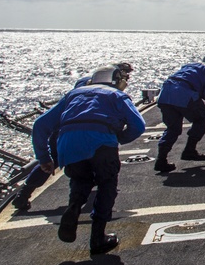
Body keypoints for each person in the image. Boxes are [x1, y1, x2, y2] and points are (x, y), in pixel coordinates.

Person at [30, 64, 146, 254]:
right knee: (107, 184)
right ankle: (98, 238)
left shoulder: (74, 94)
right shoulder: (117, 95)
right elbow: (138, 125)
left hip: (68, 143)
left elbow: (40, 125)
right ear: (115, 80)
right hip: (100, 142)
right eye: (123, 79)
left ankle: (74, 207)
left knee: (80, 180)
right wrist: (119, 138)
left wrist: (44, 157)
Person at [13, 63, 134, 211]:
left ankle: (23, 194)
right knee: (88, 162)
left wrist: (43, 157)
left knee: (54, 160)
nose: (127, 79)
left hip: (65, 131)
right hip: (78, 131)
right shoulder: (101, 88)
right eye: (125, 75)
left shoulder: (87, 82)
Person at [154, 52, 205, 172]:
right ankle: (189, 150)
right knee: (202, 118)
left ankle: (161, 160)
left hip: (165, 93)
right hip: (184, 93)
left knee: (172, 128)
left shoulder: (189, 65)